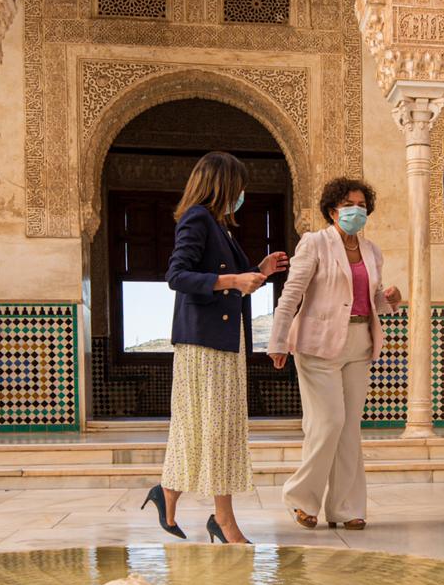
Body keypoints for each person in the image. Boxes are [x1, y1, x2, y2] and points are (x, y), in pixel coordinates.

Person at [140, 151, 288, 545]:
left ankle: (168, 494)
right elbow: (177, 275)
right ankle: (223, 522)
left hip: (222, 341)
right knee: (215, 429)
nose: (242, 193)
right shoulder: (197, 218)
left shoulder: (220, 226)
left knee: (211, 429)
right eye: (238, 185)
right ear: (222, 184)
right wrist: (235, 281)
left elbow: (229, 276)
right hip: (205, 343)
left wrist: (260, 269)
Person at [268, 176, 402, 531]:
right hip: (318, 345)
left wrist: (390, 299)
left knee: (349, 429)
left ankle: (345, 507)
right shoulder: (315, 244)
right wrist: (278, 341)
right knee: (327, 423)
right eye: (348, 205)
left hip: (360, 343)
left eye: (361, 205)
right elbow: (291, 294)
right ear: (332, 211)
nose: (356, 211)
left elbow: (373, 302)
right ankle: (300, 498)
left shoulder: (372, 251)